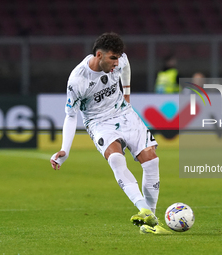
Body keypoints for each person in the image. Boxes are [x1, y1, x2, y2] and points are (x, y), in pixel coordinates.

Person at [50, 32, 171, 235]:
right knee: (116, 158)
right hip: (98, 122)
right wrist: (65, 149)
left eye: (118, 57)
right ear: (99, 55)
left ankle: (150, 222)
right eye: (112, 58)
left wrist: (127, 94)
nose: (117, 62)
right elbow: (71, 116)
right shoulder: (77, 80)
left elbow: (126, 65)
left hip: (124, 113)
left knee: (152, 162)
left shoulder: (120, 60)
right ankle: (144, 209)